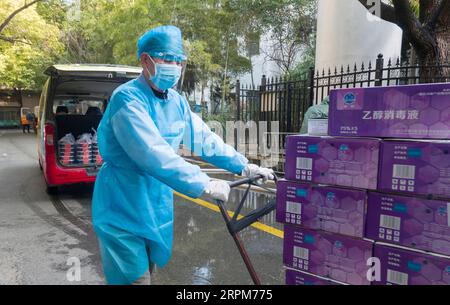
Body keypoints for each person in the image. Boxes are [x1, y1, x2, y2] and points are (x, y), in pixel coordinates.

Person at [92, 25, 274, 285]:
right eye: (168, 59)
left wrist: (244, 167)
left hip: (155, 202)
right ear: (146, 60)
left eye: (179, 60)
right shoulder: (127, 99)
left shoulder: (176, 101)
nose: (175, 66)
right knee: (134, 279)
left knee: (149, 272)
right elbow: (152, 153)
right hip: (122, 203)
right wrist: (203, 183)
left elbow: (204, 139)